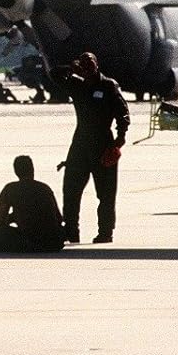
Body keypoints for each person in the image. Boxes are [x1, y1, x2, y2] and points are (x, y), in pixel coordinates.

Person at [49, 52, 129, 243]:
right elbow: (53, 74)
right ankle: (71, 231)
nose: (88, 67)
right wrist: (70, 68)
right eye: (84, 64)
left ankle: (105, 232)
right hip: (80, 144)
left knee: (106, 194)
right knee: (70, 191)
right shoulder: (77, 85)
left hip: (103, 143)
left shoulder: (108, 85)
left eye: (90, 63)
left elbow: (123, 113)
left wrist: (119, 139)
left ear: (97, 65)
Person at [0, 155, 65, 252]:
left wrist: (13, 218)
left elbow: (0, 219)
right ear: (32, 169)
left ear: (16, 172)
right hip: (51, 240)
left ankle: (25, 245)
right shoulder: (44, 188)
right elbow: (58, 218)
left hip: (28, 238)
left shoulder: (10, 188)